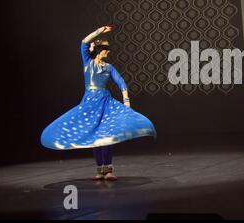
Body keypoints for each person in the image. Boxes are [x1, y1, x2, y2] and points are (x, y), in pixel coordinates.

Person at [41, 25, 157, 181]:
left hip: (105, 103)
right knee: (95, 137)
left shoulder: (109, 68)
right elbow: (83, 42)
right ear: (99, 50)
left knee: (106, 135)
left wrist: (126, 101)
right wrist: (99, 31)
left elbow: (122, 83)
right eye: (105, 50)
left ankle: (108, 170)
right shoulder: (88, 63)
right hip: (89, 103)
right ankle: (99, 170)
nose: (108, 53)